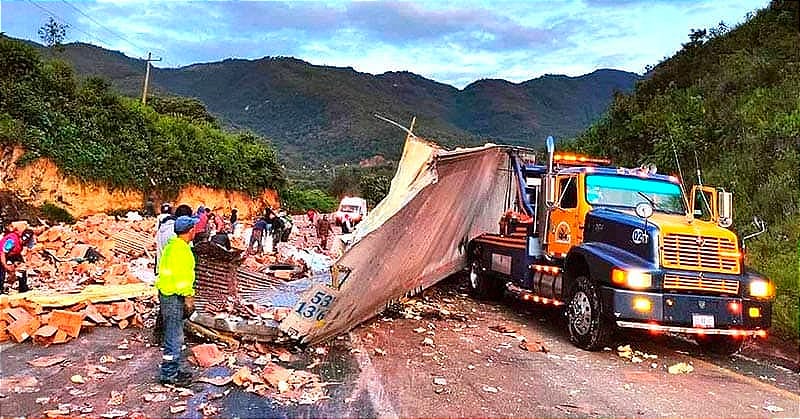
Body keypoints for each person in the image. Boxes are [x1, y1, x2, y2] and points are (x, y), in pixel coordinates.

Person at [155, 215, 198, 386]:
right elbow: (184, 279)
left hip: (166, 293)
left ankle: (172, 370)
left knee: (174, 334)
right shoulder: (183, 251)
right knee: (174, 336)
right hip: (174, 296)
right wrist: (189, 299)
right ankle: (169, 375)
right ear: (190, 231)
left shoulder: (172, 247)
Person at [153, 204, 193, 345]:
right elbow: (182, 264)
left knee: (165, 307)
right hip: (173, 275)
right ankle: (169, 344)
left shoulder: (162, 228)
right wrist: (188, 295)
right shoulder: (177, 239)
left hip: (162, 271)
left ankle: (159, 335)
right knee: (173, 313)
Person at [1, 227, 35, 294]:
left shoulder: (30, 240)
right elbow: (2, 253)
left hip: (14, 253)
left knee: (22, 269)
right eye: (24, 241)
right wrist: (6, 266)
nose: (24, 243)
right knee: (1, 271)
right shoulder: (11, 241)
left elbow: (30, 250)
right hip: (2, 253)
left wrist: (27, 263)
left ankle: (23, 288)